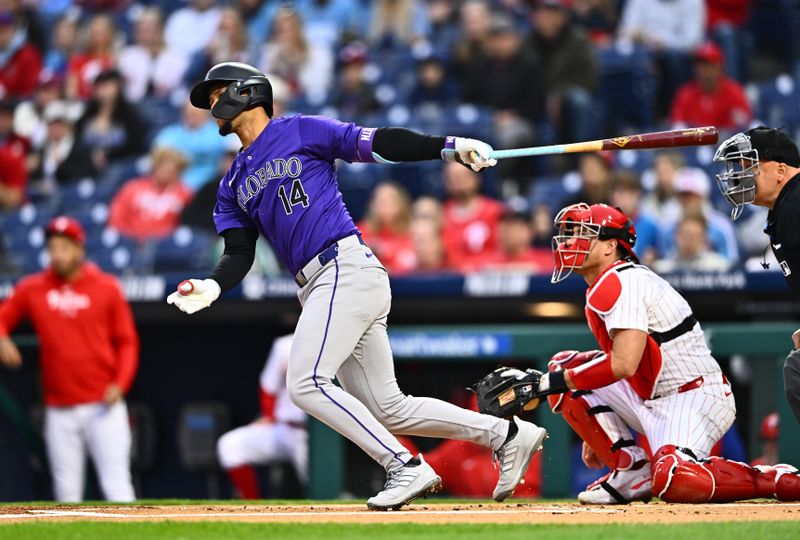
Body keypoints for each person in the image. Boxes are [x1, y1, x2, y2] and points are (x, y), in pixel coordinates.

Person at [167, 61, 546, 510]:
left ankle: (404, 466)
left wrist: (450, 147)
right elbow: (239, 252)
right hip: (320, 285)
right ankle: (507, 433)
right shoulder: (231, 183)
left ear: (247, 92)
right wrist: (212, 286)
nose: (212, 104)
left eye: (217, 93)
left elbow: (376, 143)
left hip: (343, 267)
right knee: (390, 408)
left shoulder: (300, 129)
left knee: (305, 382)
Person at [529, 202, 800, 503]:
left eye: (583, 234)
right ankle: (629, 469)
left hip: (692, 395)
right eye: (571, 234)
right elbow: (627, 362)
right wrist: (601, 429)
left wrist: (553, 384)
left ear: (609, 246)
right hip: (649, 393)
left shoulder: (624, 281)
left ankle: (774, 479)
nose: (569, 242)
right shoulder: (606, 282)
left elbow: (623, 364)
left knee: (674, 479)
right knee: (563, 367)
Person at [0, 217, 139, 502]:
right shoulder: (32, 288)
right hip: (59, 407)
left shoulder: (106, 286)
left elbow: (127, 342)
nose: (57, 255)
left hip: (103, 403)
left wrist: (121, 383)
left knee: (117, 486)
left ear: (79, 249)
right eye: (52, 247)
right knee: (66, 493)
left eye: (64, 247)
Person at [713, 126, 800, 424]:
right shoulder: (787, 205)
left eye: (751, 166)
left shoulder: (795, 203)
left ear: (780, 170)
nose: (741, 175)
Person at [217, 334, 308, 499]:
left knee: (320, 489)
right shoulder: (284, 345)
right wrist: (268, 415)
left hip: (315, 438)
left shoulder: (335, 342)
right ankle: (252, 507)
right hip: (284, 428)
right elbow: (268, 387)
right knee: (231, 444)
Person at [108, 146, 193, 241]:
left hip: (164, 245)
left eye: (172, 170)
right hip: (130, 241)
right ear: (155, 166)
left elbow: (186, 225)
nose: (166, 172)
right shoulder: (132, 188)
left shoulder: (185, 194)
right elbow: (117, 218)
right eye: (163, 167)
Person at [669, 42, 750, 132]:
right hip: (695, 143)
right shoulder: (686, 93)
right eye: (701, 65)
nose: (704, 70)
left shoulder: (734, 92)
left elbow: (744, 125)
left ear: (720, 67)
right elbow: (677, 127)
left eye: (709, 65)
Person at [441, 161, 504, 271]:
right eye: (454, 177)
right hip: (451, 276)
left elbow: (504, 250)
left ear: (476, 178)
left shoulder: (495, 211)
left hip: (487, 273)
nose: (460, 181)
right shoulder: (441, 214)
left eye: (464, 176)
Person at [652, 213, 732, 273]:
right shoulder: (662, 270)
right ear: (676, 236)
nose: (690, 240)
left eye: (695, 236)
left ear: (704, 239)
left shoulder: (719, 268)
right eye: (686, 235)